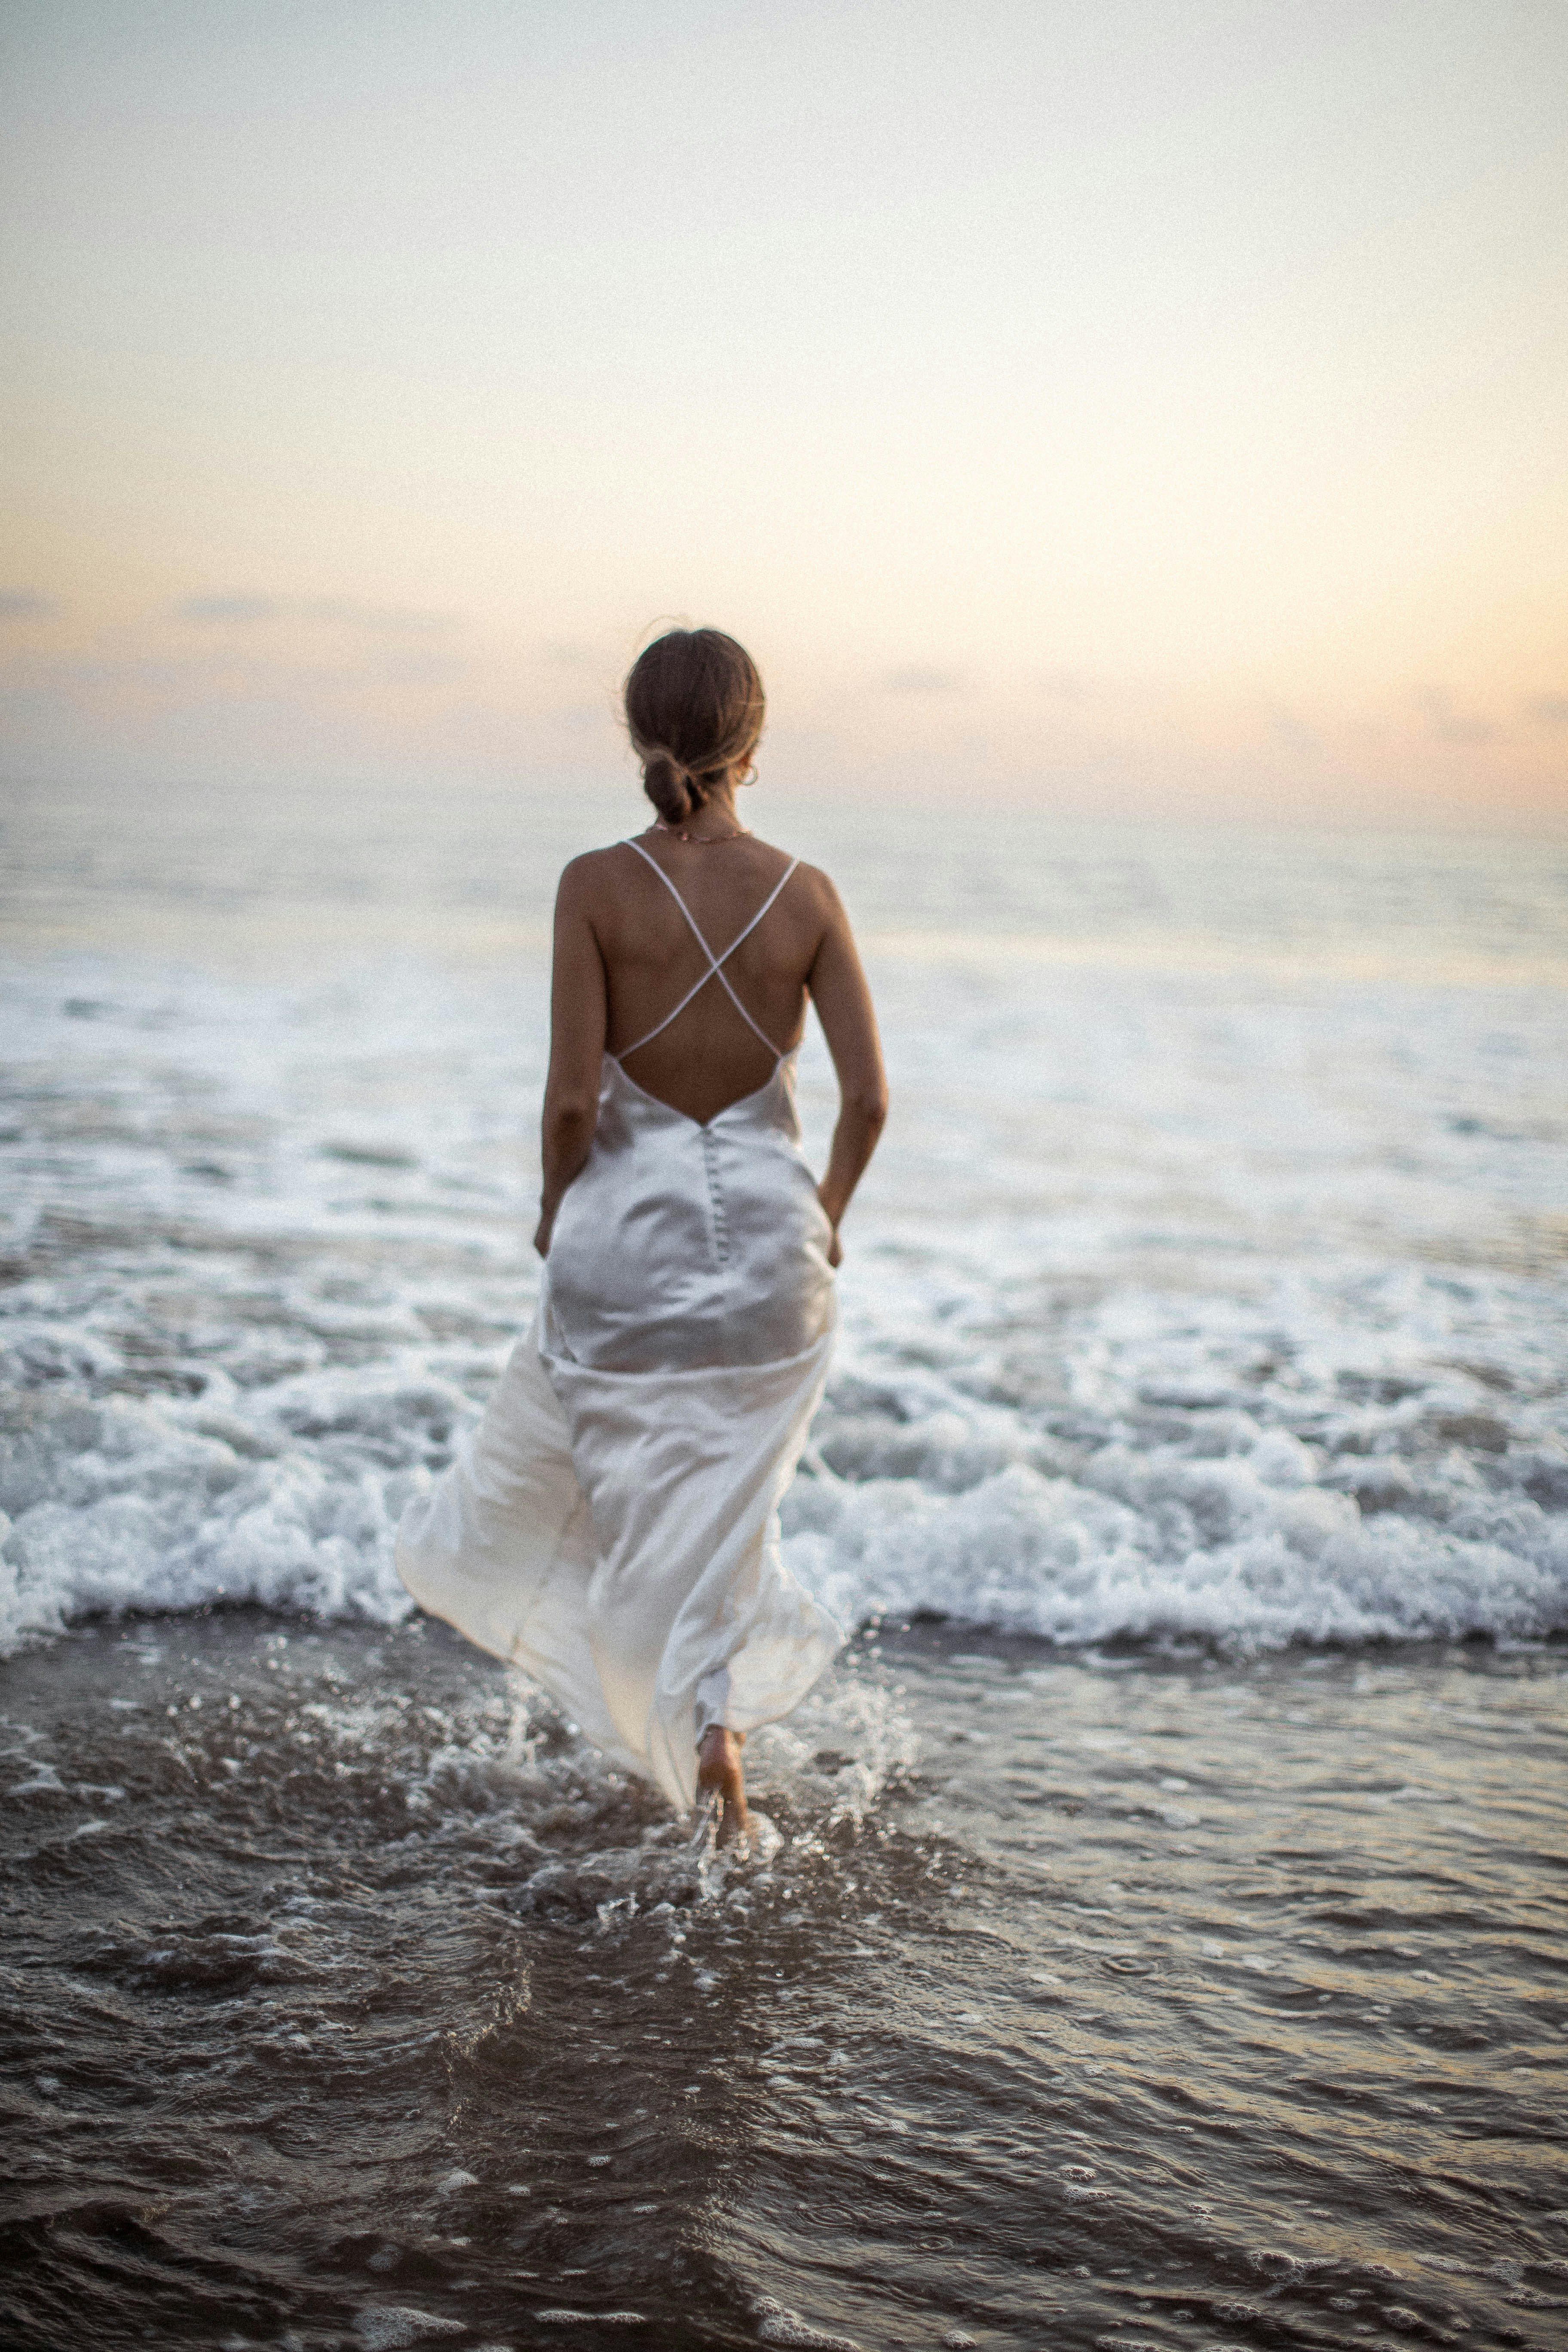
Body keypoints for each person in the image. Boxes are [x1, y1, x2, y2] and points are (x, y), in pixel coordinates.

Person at [396, 628, 887, 1845]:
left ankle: (666, 1712)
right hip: (774, 1258)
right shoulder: (808, 895)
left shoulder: (593, 886)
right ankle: (714, 1724)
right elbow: (871, 1102)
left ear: (637, 737)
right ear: (754, 744)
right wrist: (823, 1219)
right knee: (728, 1509)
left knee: (624, 1503)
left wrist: (553, 1209)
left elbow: (573, 1102)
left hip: (623, 1246)